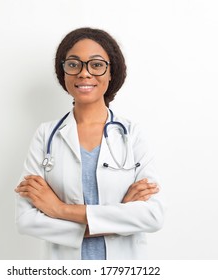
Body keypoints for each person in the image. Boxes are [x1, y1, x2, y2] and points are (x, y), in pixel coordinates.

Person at [14, 27, 165, 260]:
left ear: (111, 72)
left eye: (96, 65)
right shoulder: (45, 135)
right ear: (63, 72)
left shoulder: (131, 134)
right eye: (74, 64)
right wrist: (120, 215)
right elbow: (27, 220)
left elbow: (152, 215)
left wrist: (58, 209)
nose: (84, 73)